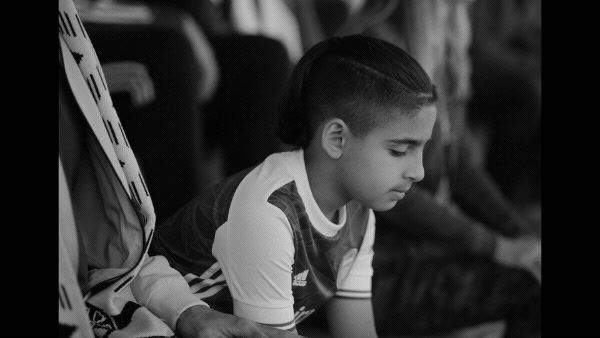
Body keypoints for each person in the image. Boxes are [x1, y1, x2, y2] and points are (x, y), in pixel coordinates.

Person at [150, 35, 437, 337]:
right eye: (399, 150)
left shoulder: (358, 213)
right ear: (336, 138)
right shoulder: (269, 211)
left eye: (422, 149)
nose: (418, 172)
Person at [58, 0, 302, 336]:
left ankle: (260, 241)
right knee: (169, 51)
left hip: (144, 25)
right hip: (91, 36)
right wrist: (171, 19)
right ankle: (168, 266)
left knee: (262, 58)